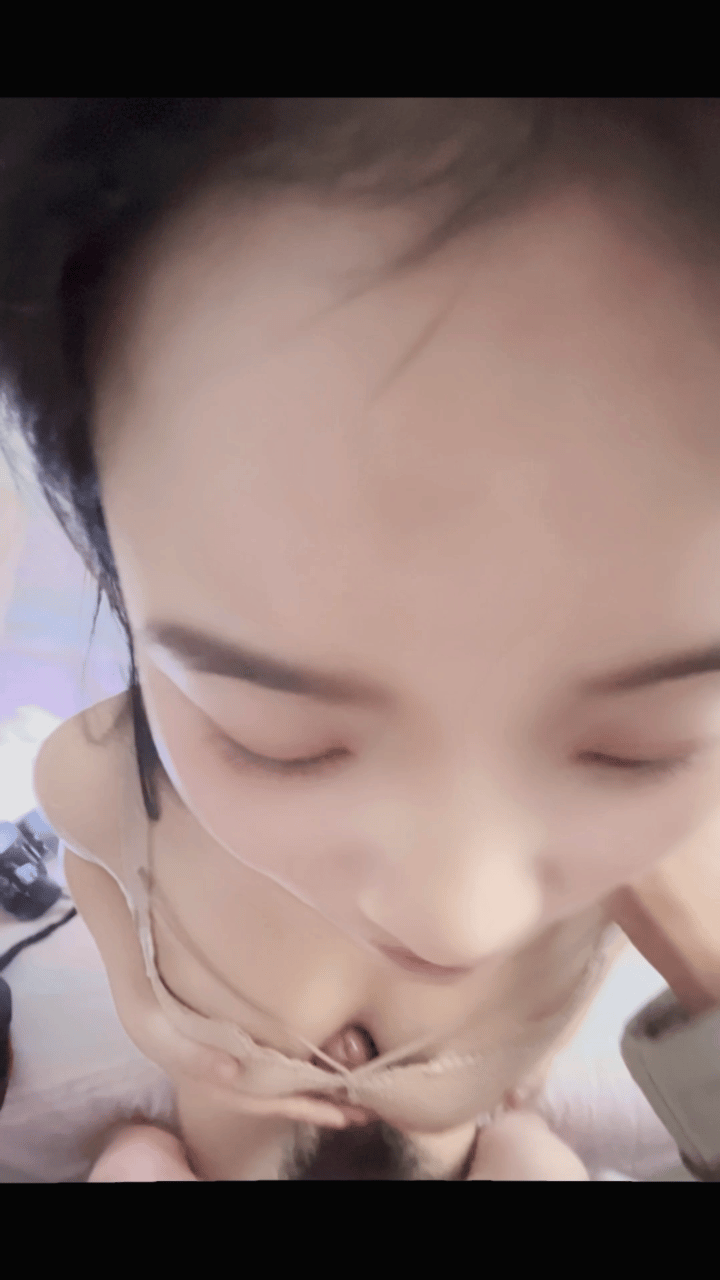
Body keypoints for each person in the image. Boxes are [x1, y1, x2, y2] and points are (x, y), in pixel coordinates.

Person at [2, 98, 720, 1180]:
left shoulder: (667, 881)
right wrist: (155, 1019)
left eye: (636, 747)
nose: (456, 915)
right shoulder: (107, 778)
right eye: (276, 735)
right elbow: (86, 846)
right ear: (114, 569)